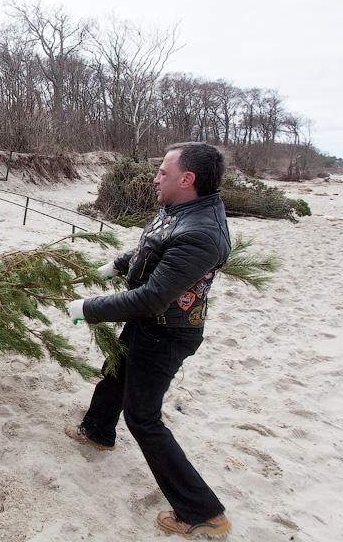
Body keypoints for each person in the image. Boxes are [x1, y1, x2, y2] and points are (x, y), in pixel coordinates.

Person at [67, 142, 232, 539]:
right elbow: (151, 245)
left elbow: (152, 298)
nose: (156, 177)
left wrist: (85, 308)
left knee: (143, 416)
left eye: (163, 171)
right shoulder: (181, 209)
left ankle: (202, 511)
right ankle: (97, 431)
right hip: (151, 324)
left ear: (186, 179)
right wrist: (115, 265)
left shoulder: (202, 233)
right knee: (116, 373)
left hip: (168, 332)